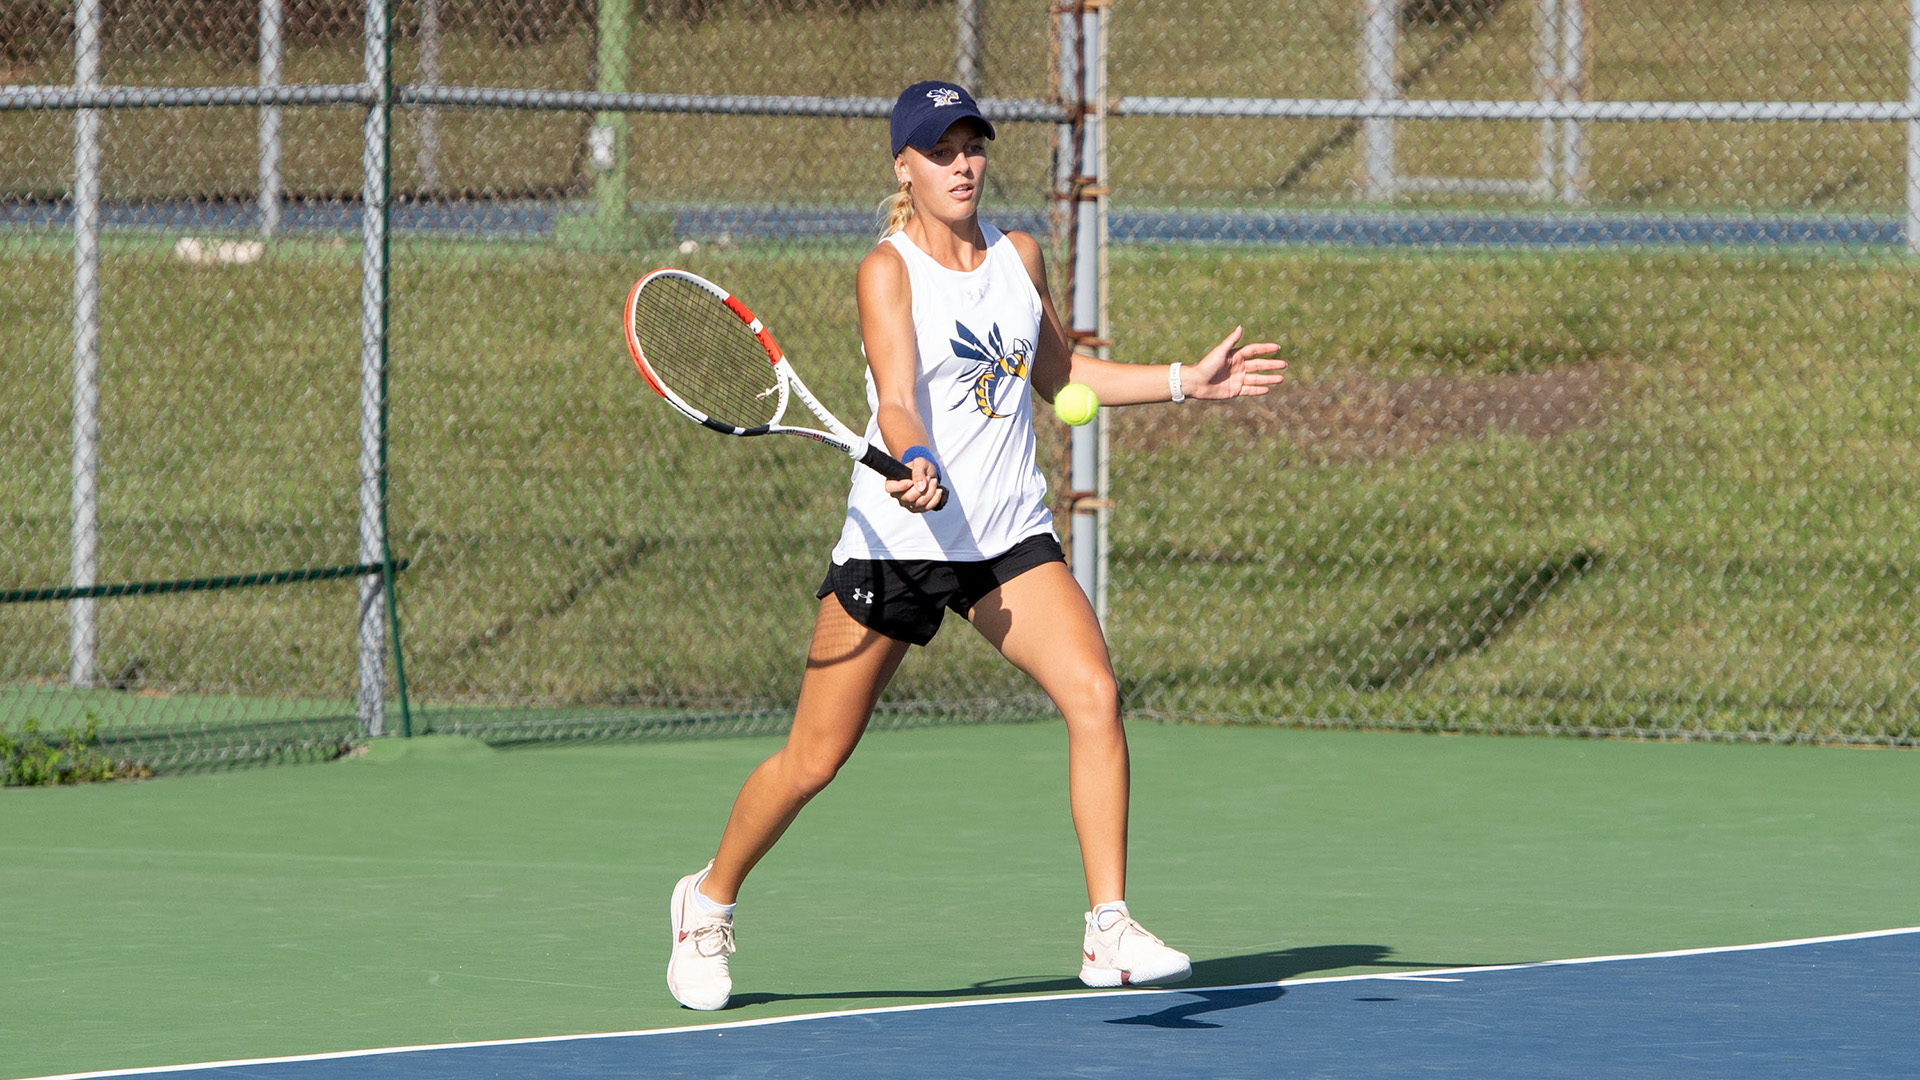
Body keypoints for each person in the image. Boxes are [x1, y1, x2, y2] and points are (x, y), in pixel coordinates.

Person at [666, 80, 1287, 1011]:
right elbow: (901, 394)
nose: (964, 164)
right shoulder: (888, 270)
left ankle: (1107, 928)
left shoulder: (1018, 254)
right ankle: (707, 901)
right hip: (899, 543)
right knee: (814, 760)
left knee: (1094, 693)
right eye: (942, 149)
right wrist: (909, 457)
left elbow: (1062, 373)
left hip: (1005, 537)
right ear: (904, 167)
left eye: (973, 145)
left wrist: (1181, 380)